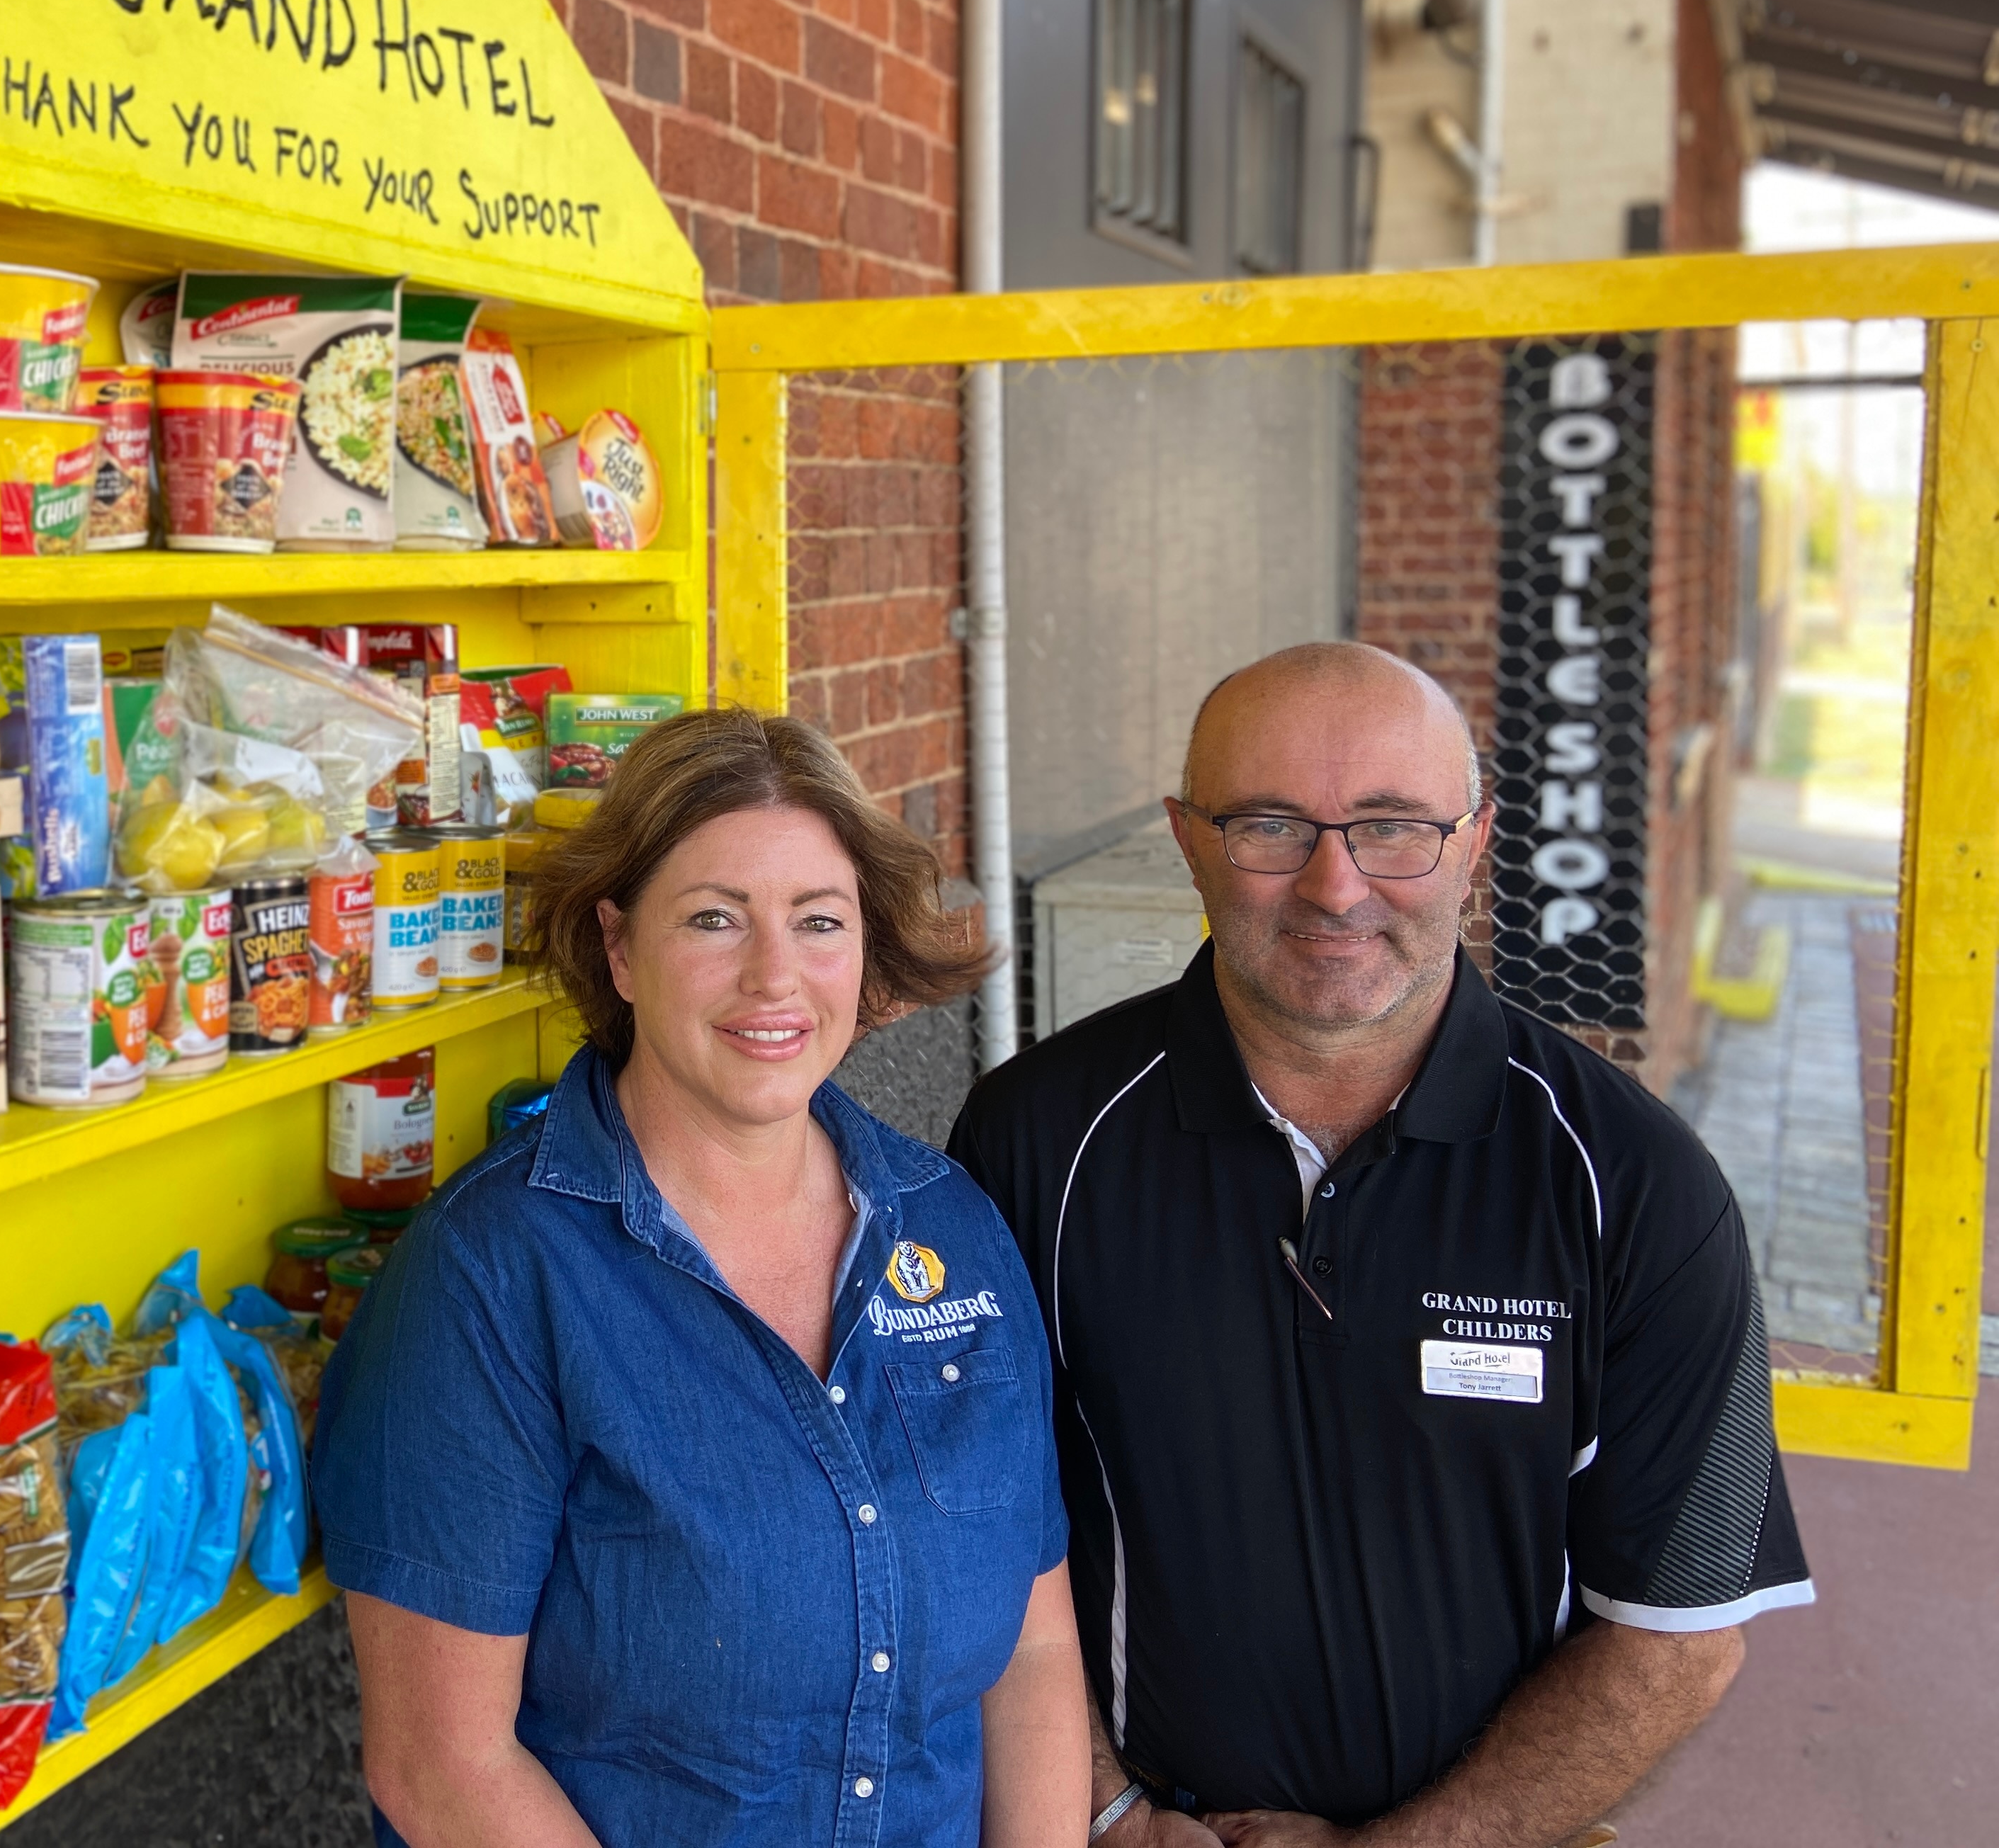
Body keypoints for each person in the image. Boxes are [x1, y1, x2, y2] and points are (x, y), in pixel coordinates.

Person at [950, 643, 1812, 1848]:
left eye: (1394, 828)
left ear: (1474, 841)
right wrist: (1106, 1805)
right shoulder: (1035, 1138)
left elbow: (1680, 1637)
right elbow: (968, 1514)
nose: (1336, 888)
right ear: (1187, 837)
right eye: (1268, 826)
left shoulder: (1634, 1184)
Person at [313, 707, 1094, 1846]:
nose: (775, 977)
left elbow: (1033, 1652)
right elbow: (443, 1767)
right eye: (715, 920)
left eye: (819, 922)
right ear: (622, 949)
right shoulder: (489, 1276)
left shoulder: (951, 1229)